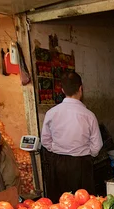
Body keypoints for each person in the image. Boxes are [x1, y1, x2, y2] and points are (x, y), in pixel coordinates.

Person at [40, 71, 102, 202]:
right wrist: (87, 153)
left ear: (62, 90)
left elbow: (45, 140)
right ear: (81, 89)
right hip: (81, 164)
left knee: (59, 204)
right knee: (83, 205)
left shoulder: (51, 113)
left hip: (58, 165)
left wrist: (57, 149)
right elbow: (97, 145)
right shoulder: (89, 115)